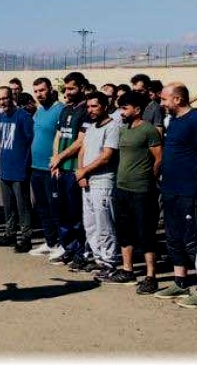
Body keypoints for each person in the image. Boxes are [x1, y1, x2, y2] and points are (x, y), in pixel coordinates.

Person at [155, 83, 197, 308]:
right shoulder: (174, 120)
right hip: (170, 190)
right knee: (173, 237)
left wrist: (196, 176)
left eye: (164, 99)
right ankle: (180, 282)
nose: (161, 103)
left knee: (195, 240)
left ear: (178, 99)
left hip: (190, 192)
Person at [108, 91, 161, 293]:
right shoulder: (123, 130)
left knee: (145, 234)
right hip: (121, 189)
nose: (121, 112)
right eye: (120, 108)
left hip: (142, 191)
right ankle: (127, 270)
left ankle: (151, 276)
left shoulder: (148, 130)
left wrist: (149, 177)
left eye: (125, 108)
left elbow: (159, 158)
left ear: (137, 110)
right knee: (124, 232)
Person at [75, 91, 121, 277]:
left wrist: (85, 170)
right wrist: (81, 173)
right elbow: (82, 150)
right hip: (87, 180)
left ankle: (109, 261)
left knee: (105, 225)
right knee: (90, 224)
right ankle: (98, 258)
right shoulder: (91, 127)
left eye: (94, 106)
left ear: (105, 106)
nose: (90, 110)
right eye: (88, 106)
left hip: (103, 181)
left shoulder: (113, 127)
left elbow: (106, 156)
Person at [48, 72, 89, 266]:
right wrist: (55, 161)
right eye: (66, 88)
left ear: (82, 87)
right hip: (61, 169)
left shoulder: (86, 110)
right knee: (62, 212)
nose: (68, 92)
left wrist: (61, 157)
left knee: (76, 213)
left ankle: (81, 251)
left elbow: (80, 141)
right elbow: (58, 136)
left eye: (72, 88)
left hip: (74, 169)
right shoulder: (65, 109)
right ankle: (68, 248)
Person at [0, 85, 35, 251]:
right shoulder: (2, 116)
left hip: (20, 169)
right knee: (8, 205)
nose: (2, 102)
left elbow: (31, 141)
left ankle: (26, 237)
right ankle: (10, 233)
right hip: (5, 168)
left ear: (12, 98)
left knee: (22, 206)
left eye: (5, 98)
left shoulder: (23, 117)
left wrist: (26, 165)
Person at [28, 78, 64, 257]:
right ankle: (50, 241)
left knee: (55, 207)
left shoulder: (60, 110)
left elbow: (63, 138)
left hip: (51, 168)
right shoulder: (39, 110)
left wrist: (58, 161)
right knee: (41, 207)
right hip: (36, 167)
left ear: (50, 89)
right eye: (36, 91)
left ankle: (62, 244)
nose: (39, 94)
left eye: (42, 90)